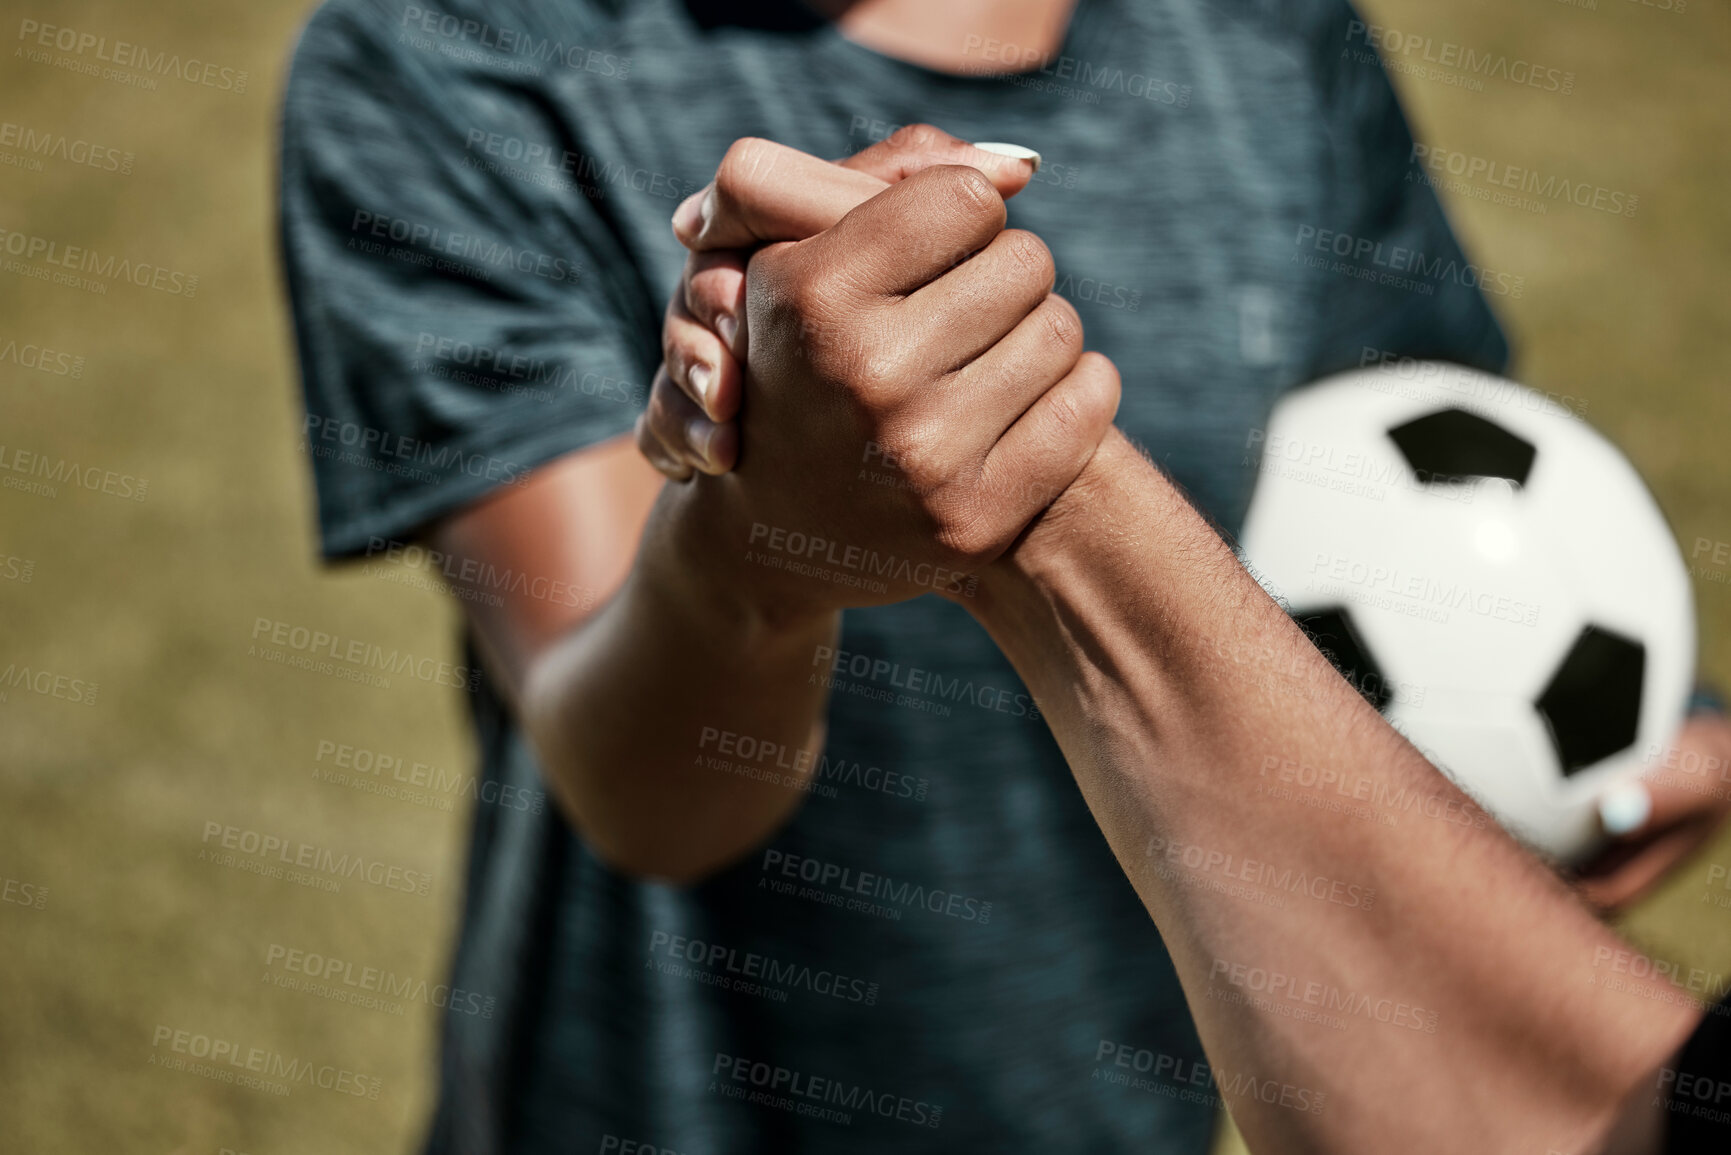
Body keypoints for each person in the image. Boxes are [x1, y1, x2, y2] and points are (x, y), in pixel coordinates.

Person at [277, 0, 1731, 1150]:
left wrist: (1627, 733)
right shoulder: (458, 59)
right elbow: (639, 788)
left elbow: (1440, 510)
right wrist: (755, 548)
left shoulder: (1270, 37)